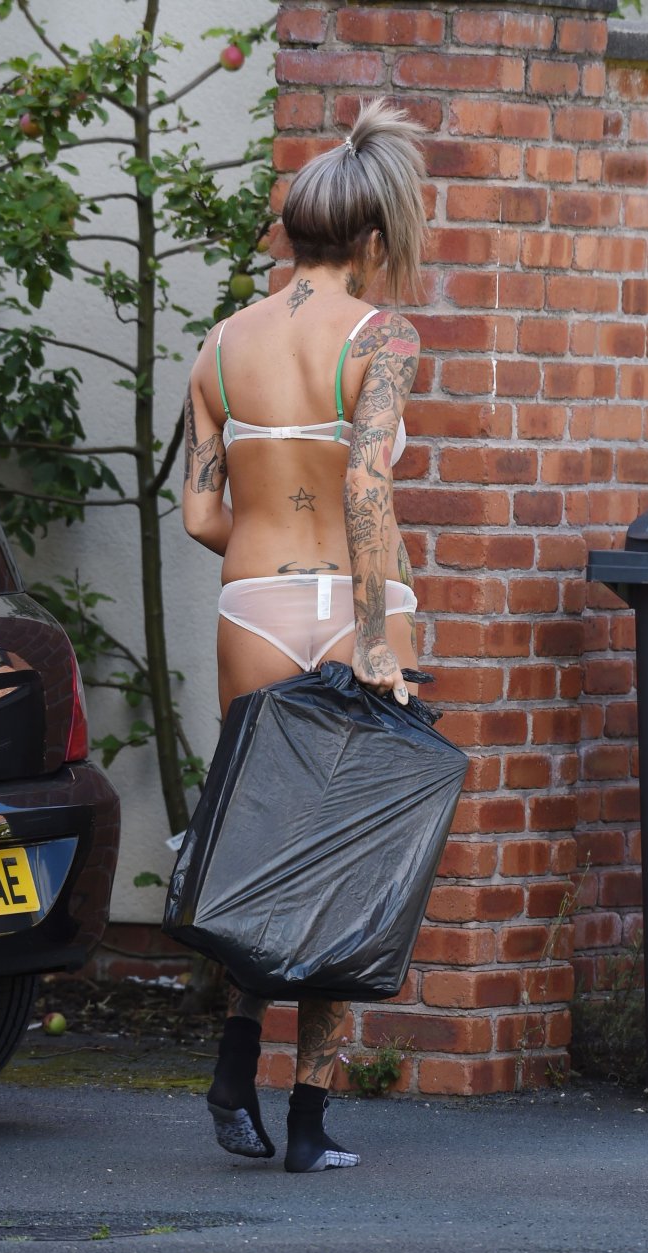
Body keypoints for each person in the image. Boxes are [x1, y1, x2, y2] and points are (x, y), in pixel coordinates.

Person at [181, 97, 428, 1173]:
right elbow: (367, 486)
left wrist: (266, 546)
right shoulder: (381, 335)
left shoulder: (221, 343)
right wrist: (372, 633)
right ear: (372, 238)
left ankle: (233, 1067)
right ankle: (311, 1121)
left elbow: (200, 513)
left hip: (250, 607)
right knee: (351, 857)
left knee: (262, 845)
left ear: (292, 233)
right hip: (350, 605)